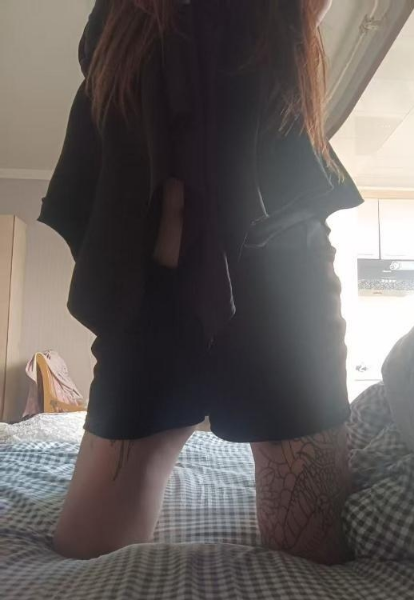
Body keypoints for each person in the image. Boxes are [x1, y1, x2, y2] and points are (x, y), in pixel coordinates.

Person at [40, 0, 362, 562]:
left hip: (284, 304)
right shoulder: (120, 16)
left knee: (312, 558)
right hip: (144, 300)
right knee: (83, 551)